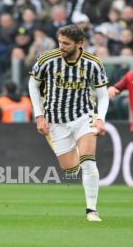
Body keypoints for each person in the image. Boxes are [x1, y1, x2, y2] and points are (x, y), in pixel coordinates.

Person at [28, 25, 109, 222]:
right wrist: (39, 116)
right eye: (60, 42)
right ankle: (79, 156)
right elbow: (33, 84)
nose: (61, 46)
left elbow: (102, 94)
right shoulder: (47, 59)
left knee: (89, 161)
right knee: (70, 169)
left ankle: (91, 210)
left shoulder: (93, 63)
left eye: (66, 43)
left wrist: (100, 119)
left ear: (79, 43)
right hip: (56, 120)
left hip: (83, 116)